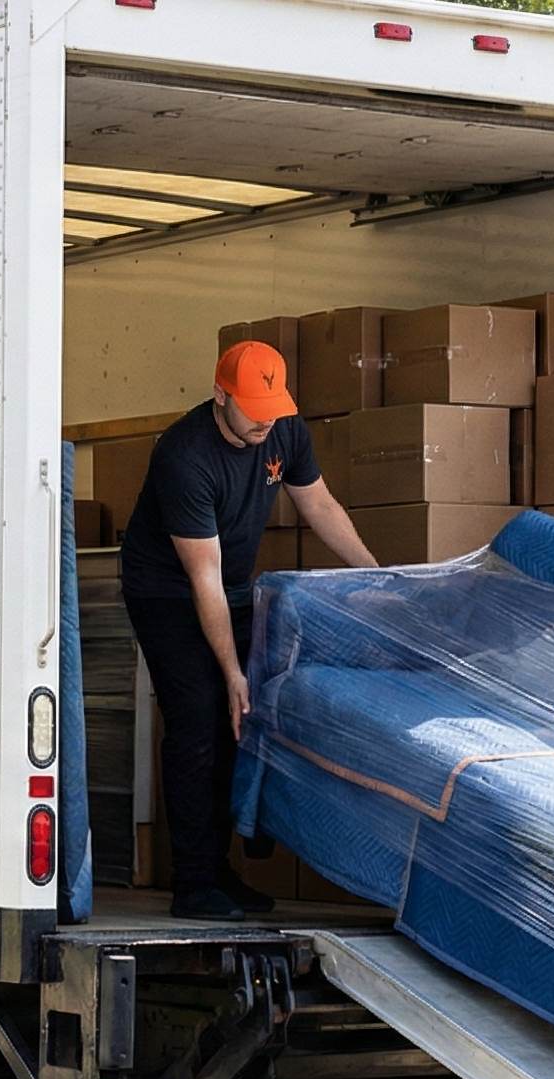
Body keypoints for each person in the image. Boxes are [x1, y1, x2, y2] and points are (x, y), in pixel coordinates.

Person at [120, 341, 377, 921]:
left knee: (240, 721)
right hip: (168, 592)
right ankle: (193, 883)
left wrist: (377, 575)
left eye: (273, 405)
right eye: (253, 407)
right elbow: (201, 577)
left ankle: (221, 870)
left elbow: (322, 506)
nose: (265, 419)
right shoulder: (184, 456)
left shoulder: (280, 428)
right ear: (220, 395)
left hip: (231, 586)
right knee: (200, 719)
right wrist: (233, 670)